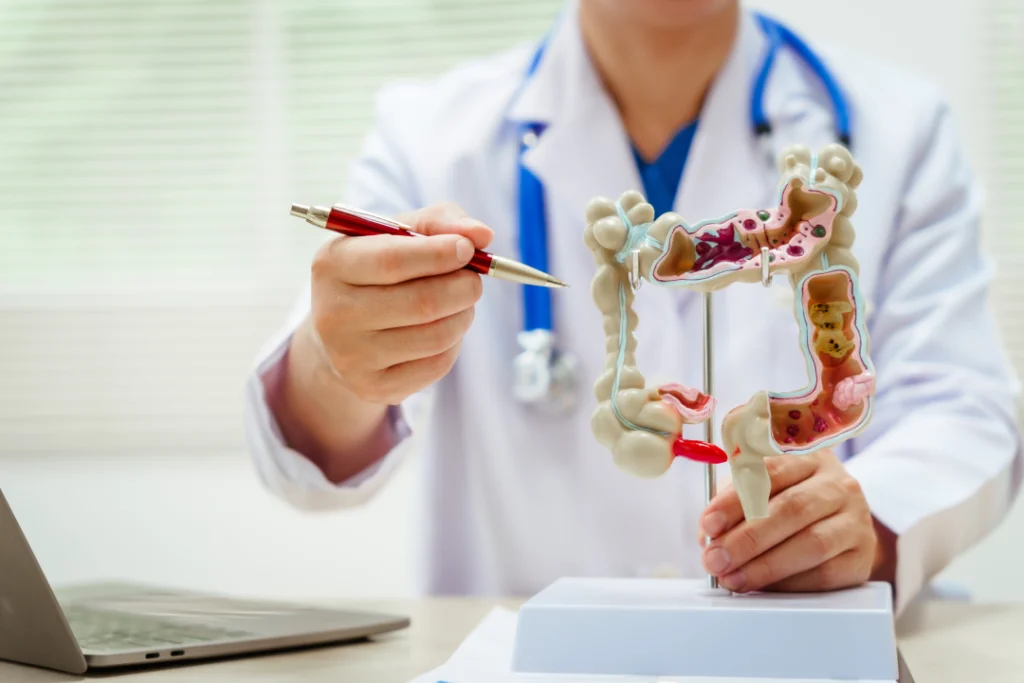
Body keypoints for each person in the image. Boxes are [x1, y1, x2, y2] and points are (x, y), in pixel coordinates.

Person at [244, 0, 1022, 614]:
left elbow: (964, 408)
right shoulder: (429, 136)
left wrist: (868, 519)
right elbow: (308, 457)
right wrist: (339, 357)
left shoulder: (896, 129)